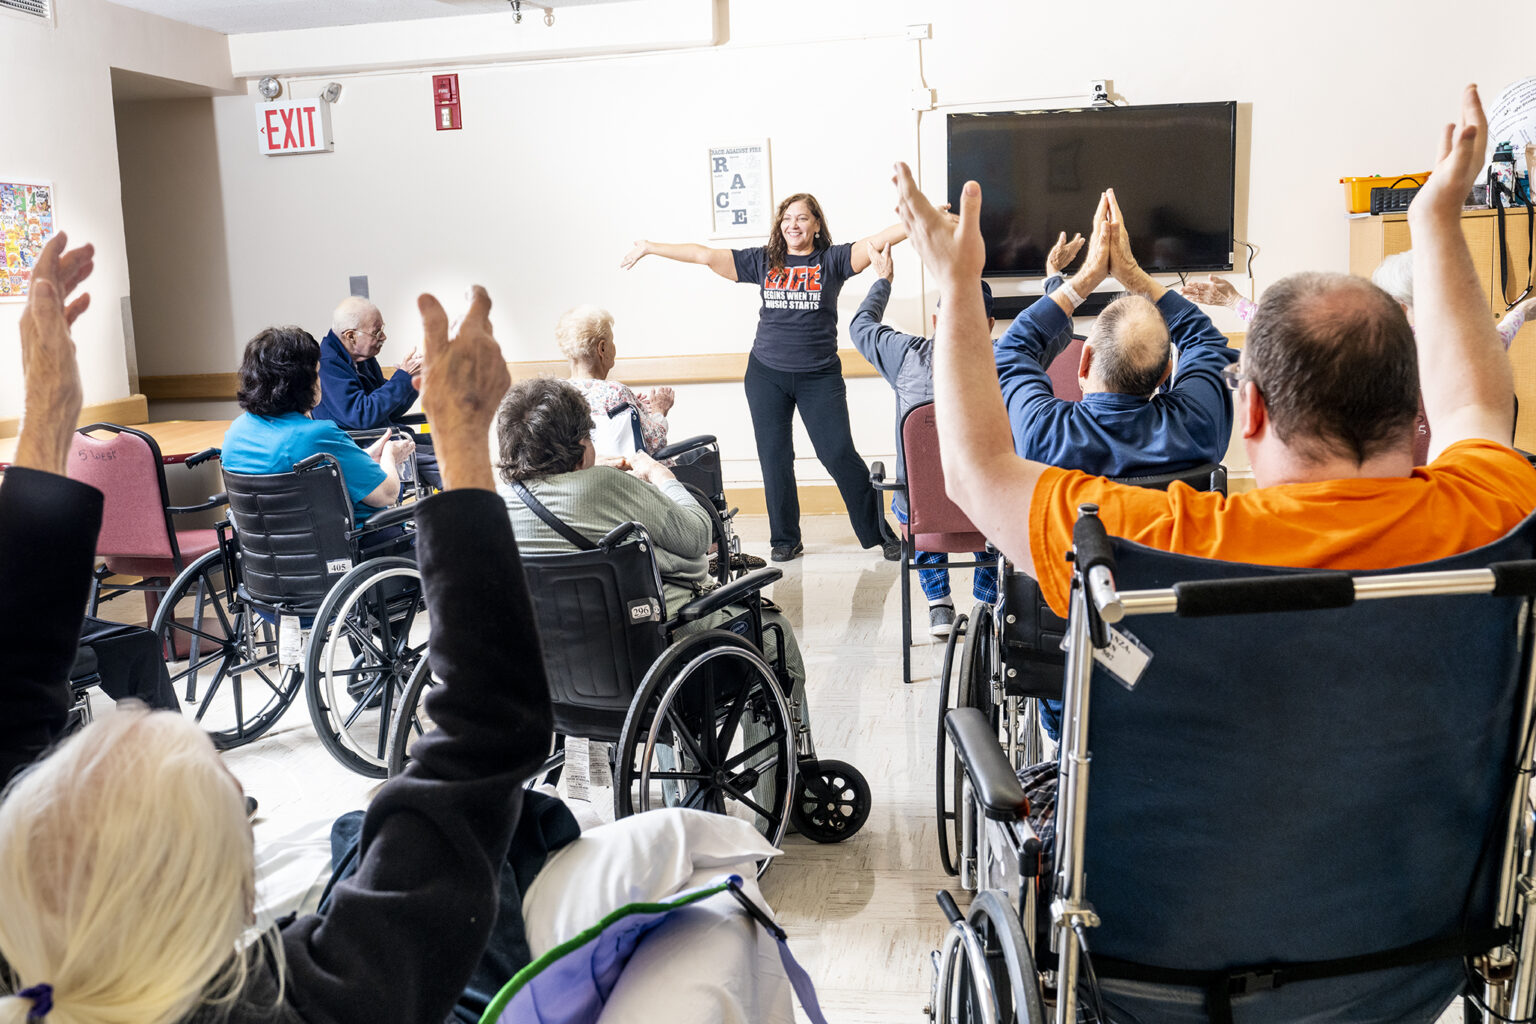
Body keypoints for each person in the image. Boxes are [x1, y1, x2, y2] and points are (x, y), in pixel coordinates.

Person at [896, 82, 1535, 968]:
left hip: (1167, 952)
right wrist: (1435, 218)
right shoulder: (1490, 517)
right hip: (1413, 947)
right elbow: (1477, 400)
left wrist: (958, 284)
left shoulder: (1153, 543)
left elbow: (974, 470)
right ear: (1411, 404)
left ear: (1255, 414)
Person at [0, 235, 558, 1024]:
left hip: (270, 574)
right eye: (239, 806)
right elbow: (490, 730)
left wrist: (48, 412)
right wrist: (463, 439)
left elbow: (9, 700)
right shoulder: (312, 1004)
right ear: (229, 898)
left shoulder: (18, 962)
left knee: (356, 838)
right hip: (353, 556)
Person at [494, 376, 815, 734]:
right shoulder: (603, 484)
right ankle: (781, 788)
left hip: (554, 676)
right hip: (652, 659)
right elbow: (697, 536)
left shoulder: (500, 505)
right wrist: (662, 476)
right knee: (774, 633)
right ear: (581, 445)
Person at [621, 193, 907, 562]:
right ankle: (785, 538)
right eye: (787, 218)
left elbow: (878, 240)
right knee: (775, 457)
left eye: (802, 218)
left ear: (817, 224)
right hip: (766, 374)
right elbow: (705, 255)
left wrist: (924, 218)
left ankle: (878, 534)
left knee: (838, 454)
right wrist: (650, 247)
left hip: (818, 376)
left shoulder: (832, 260)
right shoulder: (763, 260)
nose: (793, 225)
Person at [850, 233, 1078, 636]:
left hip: (925, 515)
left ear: (937, 320)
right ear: (990, 323)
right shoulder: (1013, 356)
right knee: (1001, 491)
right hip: (989, 515)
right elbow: (1061, 328)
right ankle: (985, 602)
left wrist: (883, 279)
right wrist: (1053, 277)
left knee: (909, 494)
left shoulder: (904, 356)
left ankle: (938, 604)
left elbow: (860, 325)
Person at [994, 192, 1239, 480]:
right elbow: (1205, 340)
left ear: (1084, 361)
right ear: (1165, 375)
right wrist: (1132, 273)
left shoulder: (1044, 434)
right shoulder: (1198, 426)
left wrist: (1085, 279)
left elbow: (1010, 351)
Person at [222, 326, 416, 535]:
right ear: (301, 384)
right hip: (352, 547)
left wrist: (365, 456)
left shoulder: (236, 432)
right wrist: (390, 454)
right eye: (317, 373)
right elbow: (387, 493)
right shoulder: (317, 436)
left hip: (266, 556)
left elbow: (314, 470)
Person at [312, 296, 439, 486]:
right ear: (350, 336)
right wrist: (401, 378)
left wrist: (410, 380)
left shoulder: (364, 359)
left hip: (388, 439)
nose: (383, 337)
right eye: (376, 332)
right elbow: (362, 415)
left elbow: (390, 409)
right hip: (365, 451)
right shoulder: (328, 364)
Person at [556, 304, 675, 453]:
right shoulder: (615, 393)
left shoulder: (556, 394)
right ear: (602, 348)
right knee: (701, 455)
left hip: (583, 474)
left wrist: (637, 410)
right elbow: (655, 441)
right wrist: (659, 411)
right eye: (612, 341)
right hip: (629, 474)